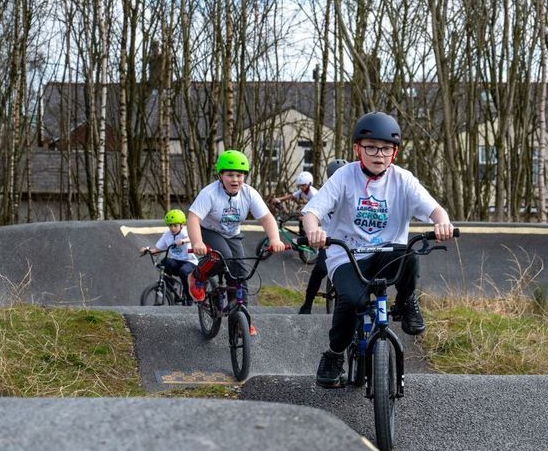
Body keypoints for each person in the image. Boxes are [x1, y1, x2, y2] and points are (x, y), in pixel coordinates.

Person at [301, 112, 455, 388]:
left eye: (386, 148)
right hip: (347, 255)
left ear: (394, 152)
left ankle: (406, 300)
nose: (378, 154)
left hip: (386, 254)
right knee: (351, 301)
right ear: (357, 149)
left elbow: (434, 208)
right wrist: (313, 229)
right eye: (371, 147)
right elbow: (312, 211)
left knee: (410, 252)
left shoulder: (403, 179)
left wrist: (442, 222)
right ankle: (335, 354)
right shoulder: (344, 176)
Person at [185, 150, 287, 320]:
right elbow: (193, 218)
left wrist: (275, 239)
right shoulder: (209, 193)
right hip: (209, 231)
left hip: (232, 234)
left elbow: (267, 218)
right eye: (230, 175)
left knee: (240, 273)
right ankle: (197, 276)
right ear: (220, 176)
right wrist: (197, 242)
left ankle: (241, 319)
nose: (235, 180)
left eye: (239, 175)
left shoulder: (249, 193)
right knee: (223, 256)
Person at [297, 158, 348, 315]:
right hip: (329, 241)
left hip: (350, 242)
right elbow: (310, 213)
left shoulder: (354, 193)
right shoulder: (325, 193)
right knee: (319, 270)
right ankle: (307, 303)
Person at [140, 209, 198, 305]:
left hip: (189, 261)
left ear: (181, 225)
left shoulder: (185, 232)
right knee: (165, 262)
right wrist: (147, 250)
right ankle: (169, 288)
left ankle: (189, 297)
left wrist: (183, 241)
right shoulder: (167, 235)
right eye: (170, 225)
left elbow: (193, 237)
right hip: (176, 262)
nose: (173, 228)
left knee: (183, 272)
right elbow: (158, 249)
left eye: (175, 225)